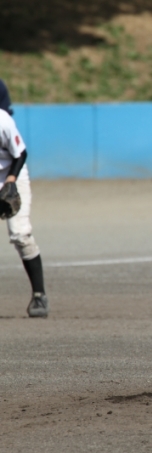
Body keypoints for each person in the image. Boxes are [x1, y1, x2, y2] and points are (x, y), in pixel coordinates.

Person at [0, 79, 49, 318]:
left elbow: (21, 154)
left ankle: (39, 295)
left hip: (12, 173)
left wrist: (10, 181)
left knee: (20, 234)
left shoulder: (2, 121)